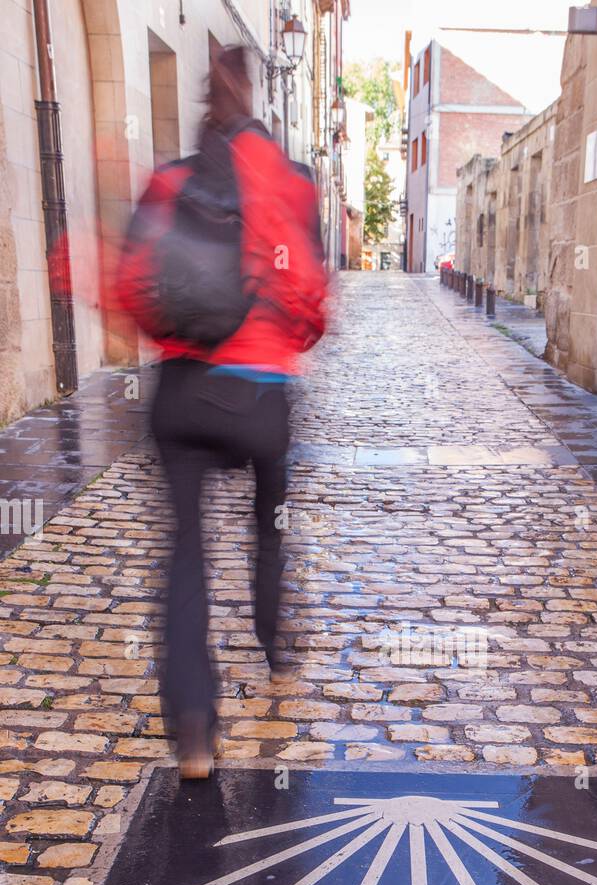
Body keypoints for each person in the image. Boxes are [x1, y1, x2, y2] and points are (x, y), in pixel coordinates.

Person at [117, 46, 327, 778]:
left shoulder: (171, 180)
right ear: (258, 97)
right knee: (271, 521)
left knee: (184, 552)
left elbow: (133, 284)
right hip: (259, 396)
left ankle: (197, 731)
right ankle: (274, 641)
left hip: (181, 395)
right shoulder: (292, 184)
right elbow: (312, 302)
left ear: (206, 102)